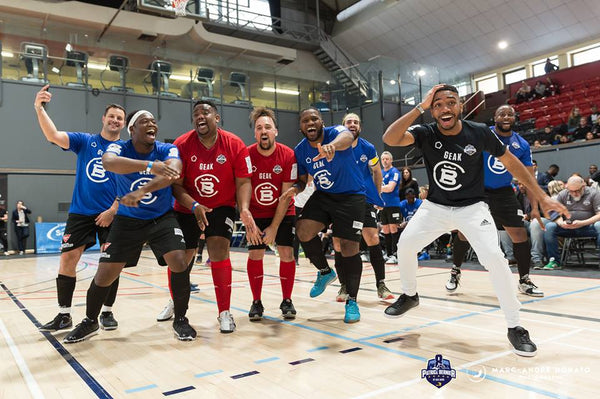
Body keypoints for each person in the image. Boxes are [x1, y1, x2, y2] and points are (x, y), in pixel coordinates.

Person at [382, 84, 568, 357]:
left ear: (460, 107)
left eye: (451, 102)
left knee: (494, 258)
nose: (445, 108)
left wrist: (541, 195)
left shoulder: (479, 133)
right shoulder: (426, 132)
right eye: (438, 105)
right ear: (432, 111)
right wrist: (420, 106)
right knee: (406, 244)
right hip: (435, 207)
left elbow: (513, 163)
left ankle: (515, 326)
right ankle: (410, 295)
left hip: (472, 208)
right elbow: (390, 137)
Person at [63, 110, 195, 343]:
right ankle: (90, 321)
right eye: (145, 122)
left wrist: (142, 190)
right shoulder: (120, 147)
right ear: (132, 129)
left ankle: (181, 319)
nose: (152, 124)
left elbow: (173, 170)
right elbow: (108, 162)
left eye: (154, 121)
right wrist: (149, 166)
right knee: (105, 275)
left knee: (179, 260)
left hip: (161, 217)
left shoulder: (166, 148)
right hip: (127, 221)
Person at [34, 86, 124, 333]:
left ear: (123, 124)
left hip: (113, 214)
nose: (115, 120)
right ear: (103, 119)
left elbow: (131, 186)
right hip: (81, 212)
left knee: (111, 264)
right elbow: (52, 135)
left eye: (119, 118)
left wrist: (114, 209)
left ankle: (106, 312)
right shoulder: (86, 141)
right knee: (67, 260)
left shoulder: (126, 150)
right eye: (112, 116)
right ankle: (64, 315)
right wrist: (39, 108)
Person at [167, 100, 258, 333]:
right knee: (180, 258)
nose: (199, 116)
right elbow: (176, 186)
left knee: (218, 250)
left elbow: (244, 181)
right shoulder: (182, 144)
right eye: (195, 113)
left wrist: (244, 208)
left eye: (205, 112)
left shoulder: (234, 144)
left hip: (221, 206)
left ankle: (224, 312)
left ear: (216, 118)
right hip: (187, 205)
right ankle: (177, 302)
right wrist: (194, 204)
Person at [445, 105, 543, 297]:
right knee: (465, 234)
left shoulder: (521, 144)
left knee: (519, 234)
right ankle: (455, 271)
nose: (506, 117)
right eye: (501, 114)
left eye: (510, 114)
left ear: (514, 118)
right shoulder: (481, 134)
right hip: (477, 191)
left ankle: (524, 280)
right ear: (495, 117)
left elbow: (529, 179)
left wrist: (536, 207)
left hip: (504, 192)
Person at [280, 107, 365, 323]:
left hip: (351, 195)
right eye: (305, 120)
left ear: (322, 122)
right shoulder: (300, 150)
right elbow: (301, 179)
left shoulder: (336, 133)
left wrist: (331, 146)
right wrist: (295, 189)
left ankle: (352, 300)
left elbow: (348, 136)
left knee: (348, 247)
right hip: (325, 195)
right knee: (303, 230)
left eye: (314, 119)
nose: (310, 123)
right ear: (300, 126)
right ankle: (325, 271)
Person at [332, 113, 393, 302]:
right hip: (340, 200)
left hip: (363, 199)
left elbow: (376, 171)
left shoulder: (368, 148)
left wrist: (377, 195)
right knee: (338, 243)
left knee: (373, 237)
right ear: (342, 126)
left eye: (356, 122)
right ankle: (343, 286)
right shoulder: (335, 146)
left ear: (360, 127)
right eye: (349, 121)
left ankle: (381, 284)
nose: (352, 124)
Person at [245, 106, 298, 321]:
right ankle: (256, 302)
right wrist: (248, 219)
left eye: (268, 127)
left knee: (286, 253)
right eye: (259, 128)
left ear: (276, 131)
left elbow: (286, 196)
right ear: (255, 133)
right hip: (256, 213)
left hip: (283, 212)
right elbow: (242, 188)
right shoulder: (246, 155)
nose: (263, 131)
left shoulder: (288, 155)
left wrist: (274, 227)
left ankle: (287, 300)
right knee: (255, 254)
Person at [543, 175, 600, 270]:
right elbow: (553, 212)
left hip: (588, 227)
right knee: (550, 226)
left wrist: (582, 223)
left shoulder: (594, 193)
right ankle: (554, 261)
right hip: (568, 227)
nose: (575, 193)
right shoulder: (563, 194)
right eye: (571, 191)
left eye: (577, 190)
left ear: (583, 186)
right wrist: (561, 223)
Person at [379, 151, 401, 264]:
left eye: (387, 159)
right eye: (383, 159)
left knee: (393, 228)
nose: (385, 161)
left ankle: (396, 254)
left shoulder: (395, 172)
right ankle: (388, 254)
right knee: (386, 229)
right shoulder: (381, 172)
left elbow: (390, 188)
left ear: (391, 160)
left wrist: (378, 188)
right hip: (383, 205)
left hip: (393, 204)